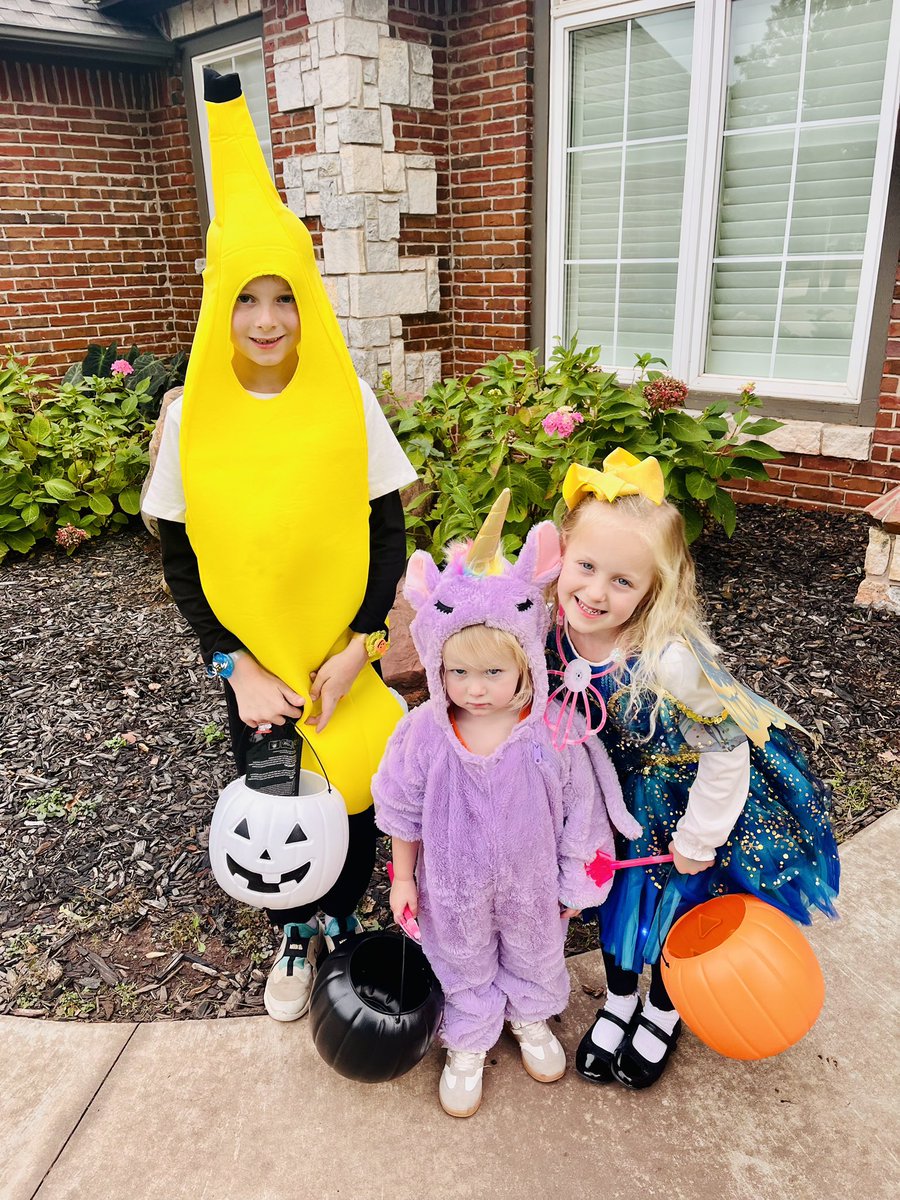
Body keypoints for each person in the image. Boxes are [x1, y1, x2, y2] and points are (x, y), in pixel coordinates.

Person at [141, 68, 415, 1024]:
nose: (265, 320)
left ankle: (341, 915)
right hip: (257, 665)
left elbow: (387, 528)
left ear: (309, 302)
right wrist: (236, 665)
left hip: (343, 650)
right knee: (277, 799)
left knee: (357, 793)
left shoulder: (348, 401)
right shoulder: (192, 421)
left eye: (283, 297)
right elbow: (182, 557)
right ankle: (294, 929)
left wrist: (361, 645)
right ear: (222, 306)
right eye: (246, 298)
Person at [547, 448, 840, 1090]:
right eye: (586, 567)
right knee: (619, 902)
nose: (595, 592)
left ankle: (663, 1007)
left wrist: (699, 836)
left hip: (682, 801)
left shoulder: (670, 662)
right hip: (608, 796)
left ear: (655, 587)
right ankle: (621, 996)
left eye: (622, 581)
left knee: (682, 908)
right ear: (560, 554)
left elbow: (728, 750)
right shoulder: (550, 629)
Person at [372, 492, 640, 1118]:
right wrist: (404, 877)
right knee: (460, 953)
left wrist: (576, 879)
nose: (476, 690)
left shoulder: (556, 729)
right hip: (453, 884)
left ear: (527, 661)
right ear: (437, 667)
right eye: (459, 674)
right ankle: (468, 1036)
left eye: (495, 673)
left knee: (536, 950)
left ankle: (530, 1017)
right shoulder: (424, 734)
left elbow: (584, 810)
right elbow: (401, 808)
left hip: (533, 884)